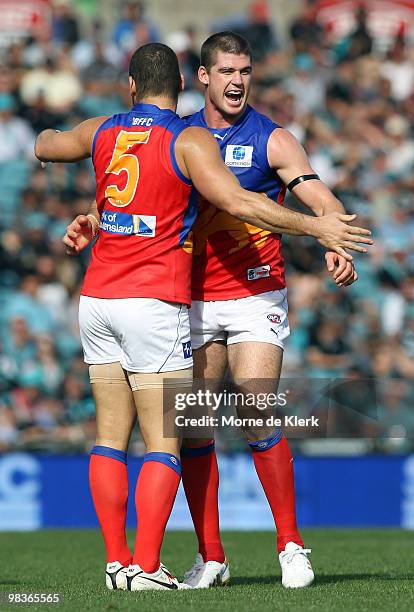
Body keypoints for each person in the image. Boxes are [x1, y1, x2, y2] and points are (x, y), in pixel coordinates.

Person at [57, 42, 372, 591]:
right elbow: (146, 201)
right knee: (194, 429)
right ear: (202, 76)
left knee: (255, 411)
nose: (237, 81)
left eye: (246, 71)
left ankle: (290, 545)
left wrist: (333, 232)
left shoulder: (271, 138)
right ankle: (212, 556)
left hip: (255, 292)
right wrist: (94, 216)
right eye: (227, 71)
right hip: (192, 296)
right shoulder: (181, 135)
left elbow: (315, 192)